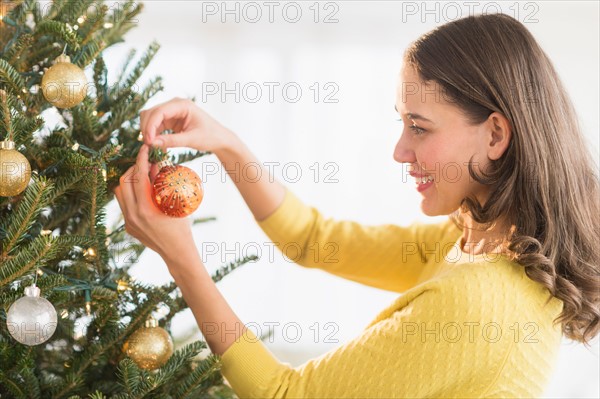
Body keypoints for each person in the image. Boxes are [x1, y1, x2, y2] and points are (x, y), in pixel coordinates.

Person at [114, 13, 599, 398]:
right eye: (402, 123)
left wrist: (180, 257)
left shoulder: (477, 301)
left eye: (420, 127)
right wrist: (228, 144)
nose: (399, 151)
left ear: (495, 134)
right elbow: (312, 241)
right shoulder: (473, 240)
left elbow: (284, 395)